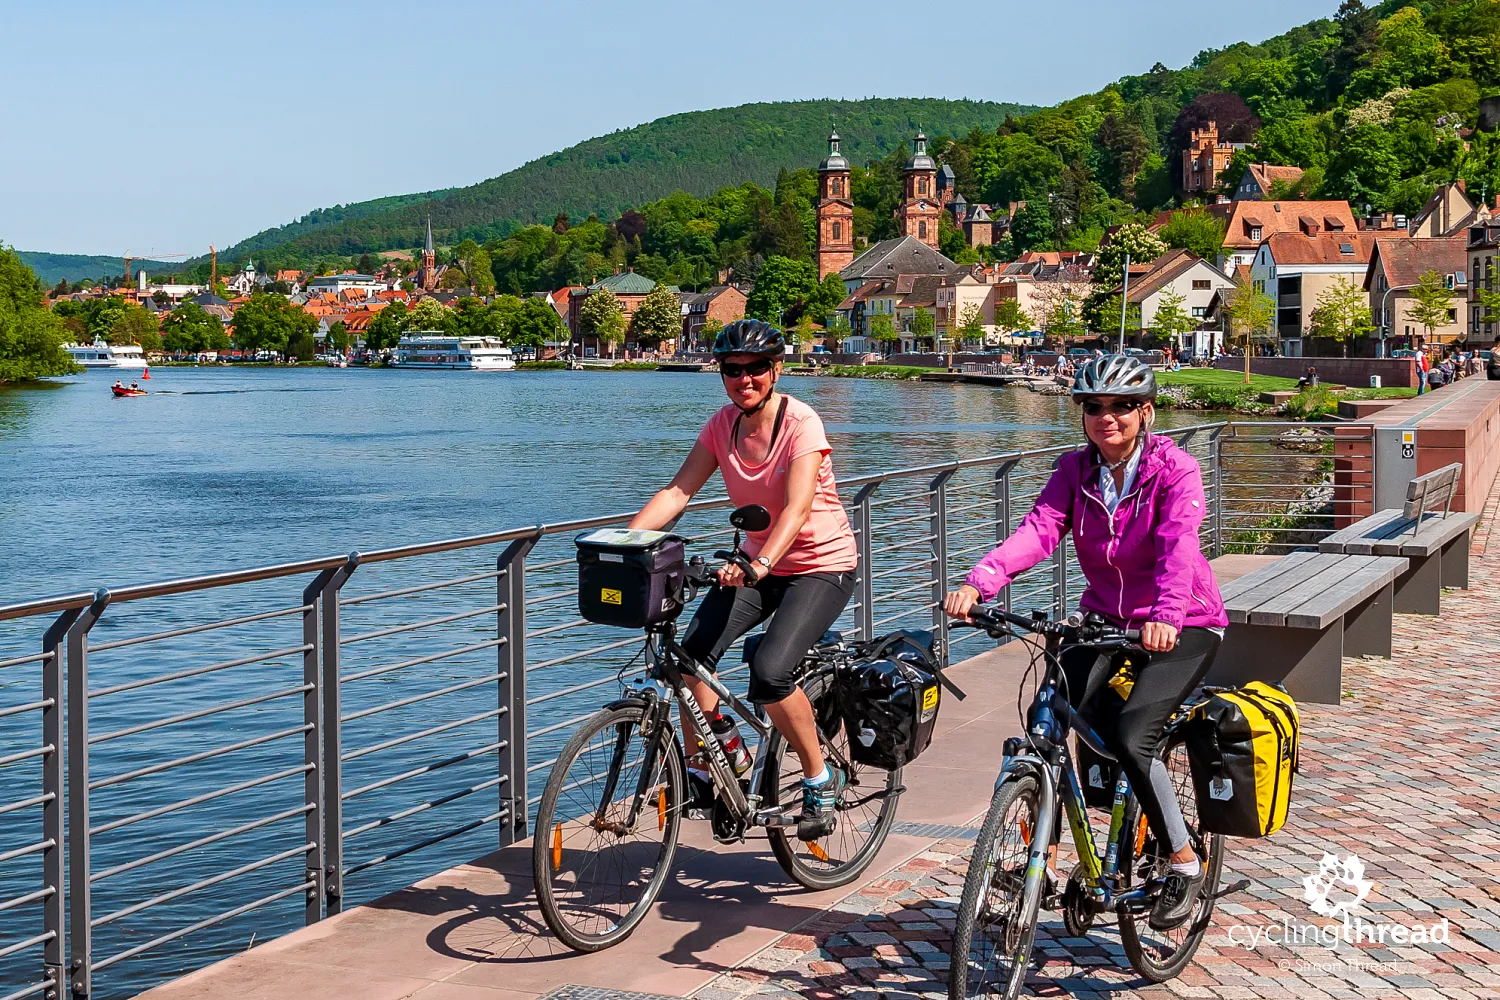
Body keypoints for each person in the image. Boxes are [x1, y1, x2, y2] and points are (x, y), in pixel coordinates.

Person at [942, 354, 1228, 931]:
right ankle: (1039, 862)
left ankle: (1182, 858)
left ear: (1145, 412)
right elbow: (1038, 531)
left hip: (1185, 622)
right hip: (1102, 619)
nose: (1107, 417)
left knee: (1130, 736)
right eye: (1094, 406)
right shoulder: (1074, 471)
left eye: (1122, 406)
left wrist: (1167, 615)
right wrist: (981, 582)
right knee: (1048, 717)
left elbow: (1179, 547)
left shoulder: (1175, 470)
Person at [627, 319, 858, 838]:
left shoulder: (802, 422)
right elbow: (676, 493)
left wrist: (760, 564)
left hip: (821, 564)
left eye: (756, 368)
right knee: (690, 659)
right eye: (733, 370)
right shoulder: (720, 427)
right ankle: (723, 761)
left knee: (771, 672)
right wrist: (623, 542)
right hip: (759, 564)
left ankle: (819, 777)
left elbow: (798, 509)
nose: (744, 379)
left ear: (776, 370)